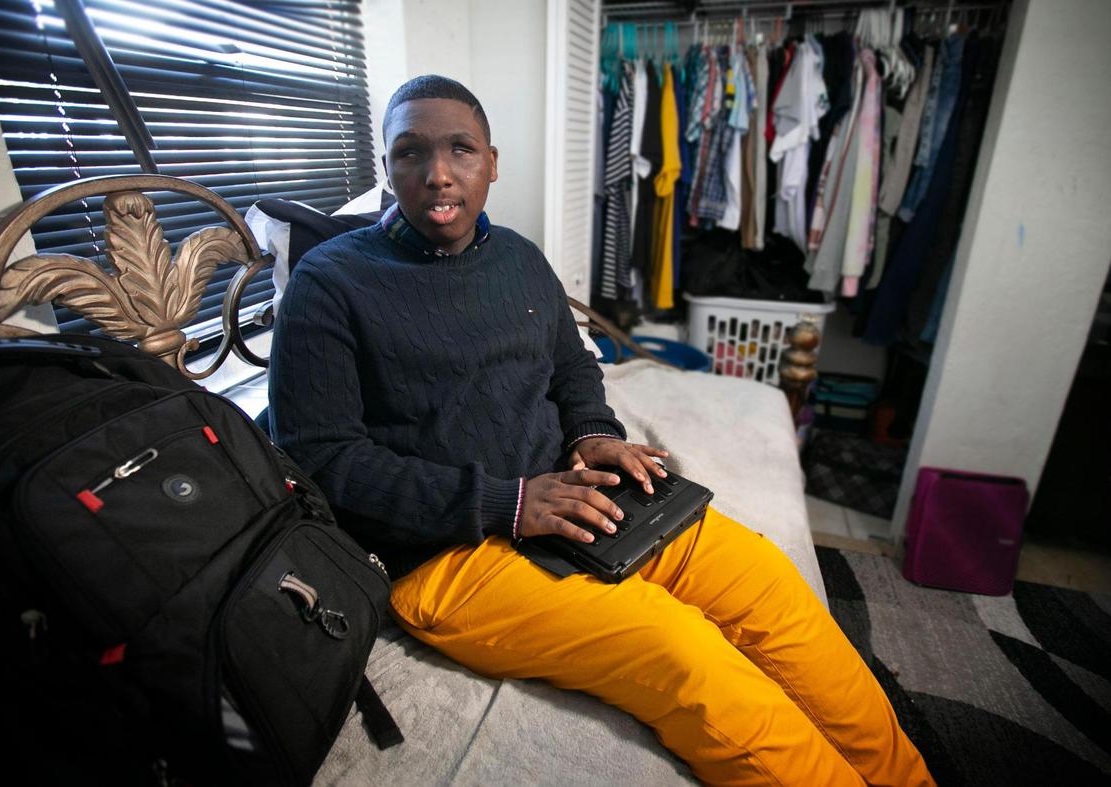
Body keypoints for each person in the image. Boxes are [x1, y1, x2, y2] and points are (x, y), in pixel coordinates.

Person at [269, 74, 933, 786]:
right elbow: (323, 460)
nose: (437, 173)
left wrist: (593, 433)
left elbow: (571, 367)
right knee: (684, 651)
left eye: (460, 149)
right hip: (450, 556)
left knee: (770, 584)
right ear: (387, 166)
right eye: (411, 152)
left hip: (579, 499)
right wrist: (509, 501)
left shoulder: (519, 259)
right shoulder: (330, 283)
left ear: (493, 162)